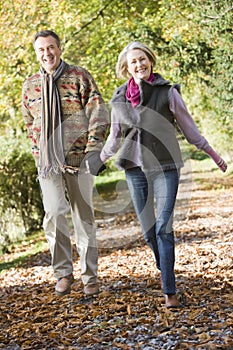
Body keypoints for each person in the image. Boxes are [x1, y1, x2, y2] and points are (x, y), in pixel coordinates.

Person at [99, 42, 227, 308]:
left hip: (165, 167)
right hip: (134, 170)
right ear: (126, 67)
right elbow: (114, 138)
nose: (139, 65)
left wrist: (215, 157)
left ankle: (170, 290)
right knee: (149, 233)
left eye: (143, 59)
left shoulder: (167, 92)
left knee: (163, 228)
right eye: (133, 61)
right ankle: (165, 265)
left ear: (151, 61)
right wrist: (96, 162)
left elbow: (191, 130)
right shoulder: (119, 98)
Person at [22, 30, 108, 297]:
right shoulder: (30, 85)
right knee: (55, 213)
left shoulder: (78, 76)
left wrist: (94, 150)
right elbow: (29, 123)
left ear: (59, 48)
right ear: (36, 53)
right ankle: (62, 273)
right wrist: (39, 152)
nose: (46, 53)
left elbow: (98, 112)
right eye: (41, 50)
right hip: (48, 163)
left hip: (79, 159)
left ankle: (90, 278)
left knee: (83, 217)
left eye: (51, 47)